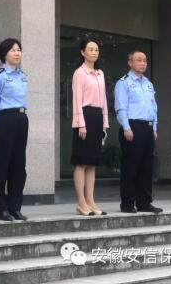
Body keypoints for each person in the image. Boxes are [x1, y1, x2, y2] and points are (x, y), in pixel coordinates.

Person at [114, 50, 163, 214]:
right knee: (131, 167)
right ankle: (127, 203)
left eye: (145, 60)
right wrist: (126, 127)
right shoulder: (124, 83)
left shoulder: (148, 83)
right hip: (132, 127)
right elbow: (121, 107)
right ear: (130, 62)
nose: (143, 63)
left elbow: (154, 107)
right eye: (139, 60)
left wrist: (154, 128)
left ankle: (144, 202)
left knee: (146, 167)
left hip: (147, 128)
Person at [0, 38, 29, 222]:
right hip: (5, 119)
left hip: (21, 118)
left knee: (19, 166)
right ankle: (1, 208)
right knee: (2, 165)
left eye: (19, 49)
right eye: (13, 50)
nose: (17, 53)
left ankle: (15, 207)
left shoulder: (23, 76)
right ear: (4, 54)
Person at [71, 39, 109, 216]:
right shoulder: (79, 73)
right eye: (90, 49)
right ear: (82, 52)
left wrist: (105, 124)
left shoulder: (100, 73)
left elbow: (104, 101)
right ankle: (81, 202)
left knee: (92, 163)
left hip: (97, 118)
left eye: (96, 49)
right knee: (82, 162)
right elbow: (76, 99)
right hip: (84, 117)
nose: (94, 52)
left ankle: (90, 200)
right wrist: (81, 124)